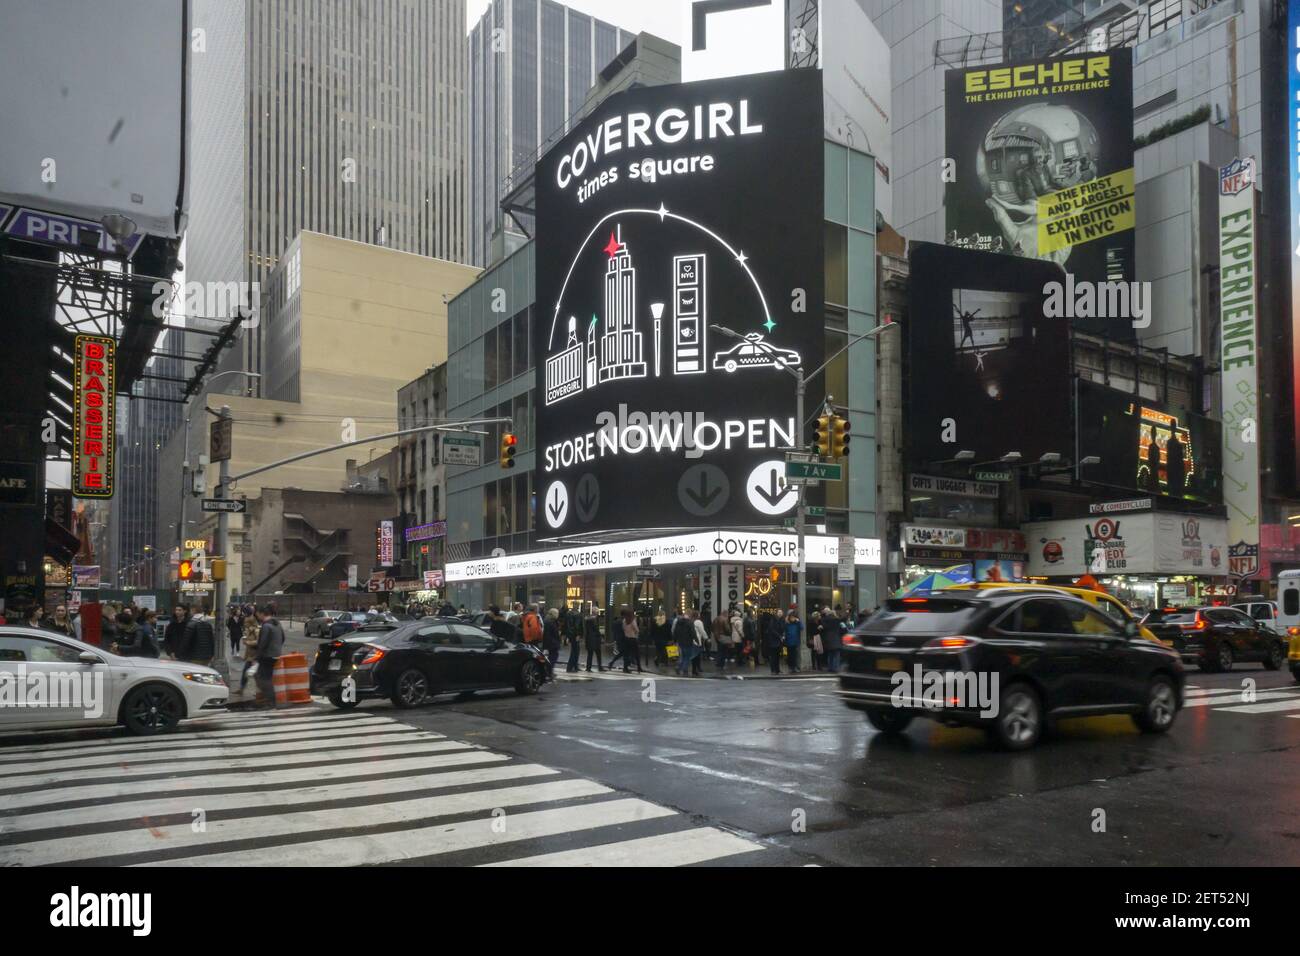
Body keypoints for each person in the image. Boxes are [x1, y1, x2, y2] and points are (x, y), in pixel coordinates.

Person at [253, 604, 286, 707]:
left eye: (258, 614)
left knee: (262, 678)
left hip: (267, 656)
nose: (257, 617)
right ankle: (268, 699)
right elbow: (283, 637)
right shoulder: (277, 623)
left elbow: (262, 643)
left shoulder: (266, 626)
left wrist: (257, 657)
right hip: (276, 654)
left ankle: (272, 700)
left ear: (262, 614)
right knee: (267, 677)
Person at [239, 610, 261, 695]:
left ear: (250, 623)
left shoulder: (256, 630)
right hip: (249, 655)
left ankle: (260, 690)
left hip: (254, 655)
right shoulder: (248, 631)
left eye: (246, 622)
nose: (244, 624)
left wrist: (248, 642)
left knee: (253, 673)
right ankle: (242, 688)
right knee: (248, 672)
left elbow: (259, 642)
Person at [822, 605, 847, 673]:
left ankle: (830, 668)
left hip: (828, 639)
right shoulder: (837, 620)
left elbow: (824, 629)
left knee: (830, 654)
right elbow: (843, 630)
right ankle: (835, 668)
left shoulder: (825, 620)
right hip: (836, 639)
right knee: (836, 655)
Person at [619, 607, 643, 674]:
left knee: (626, 654)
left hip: (626, 639)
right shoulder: (632, 620)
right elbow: (636, 629)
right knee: (636, 654)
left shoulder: (624, 621)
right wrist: (636, 633)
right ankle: (639, 667)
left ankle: (625, 668)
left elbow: (623, 629)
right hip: (633, 639)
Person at [583, 602, 604, 672]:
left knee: (590, 654)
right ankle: (600, 667)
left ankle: (588, 668)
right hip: (595, 639)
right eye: (598, 612)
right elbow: (596, 629)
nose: (598, 613)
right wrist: (600, 636)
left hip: (589, 639)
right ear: (596, 612)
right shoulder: (594, 619)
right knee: (598, 654)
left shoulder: (588, 619)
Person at [541, 607, 562, 677]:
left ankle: (549, 671)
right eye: (557, 613)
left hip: (552, 641)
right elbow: (550, 633)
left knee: (552, 657)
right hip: (552, 642)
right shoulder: (550, 622)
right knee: (553, 657)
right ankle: (549, 672)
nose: (558, 615)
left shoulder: (549, 620)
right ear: (554, 614)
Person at [784, 609, 803, 674]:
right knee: (790, 655)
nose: (792, 618)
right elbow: (784, 631)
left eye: (793, 616)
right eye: (791, 616)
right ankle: (791, 667)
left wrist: (799, 622)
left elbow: (802, 628)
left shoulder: (797, 623)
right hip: (789, 641)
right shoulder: (787, 623)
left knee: (795, 655)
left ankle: (794, 667)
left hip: (795, 641)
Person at [691, 610, 708, 676]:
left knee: (693, 656)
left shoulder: (691, 621)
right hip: (697, 640)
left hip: (691, 640)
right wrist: (706, 638)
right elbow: (702, 631)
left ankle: (694, 669)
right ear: (698, 615)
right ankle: (696, 669)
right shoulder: (698, 622)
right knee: (697, 655)